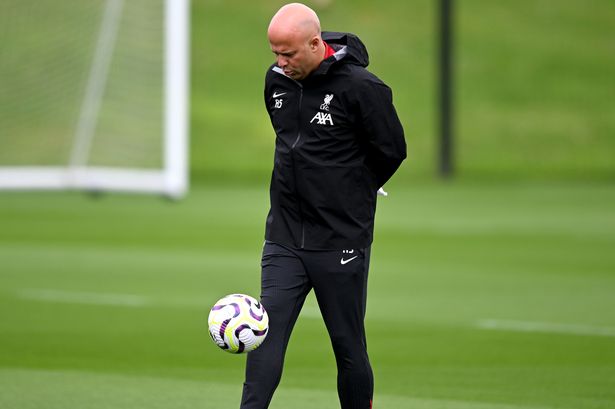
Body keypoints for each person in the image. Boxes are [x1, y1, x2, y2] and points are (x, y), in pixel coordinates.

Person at [240, 3, 406, 408]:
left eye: (289, 54)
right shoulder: (276, 81)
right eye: (275, 53)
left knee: (348, 347)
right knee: (265, 338)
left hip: (341, 240)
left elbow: (392, 150)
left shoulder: (363, 89)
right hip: (284, 237)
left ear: (316, 44)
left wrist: (354, 189)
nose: (280, 63)